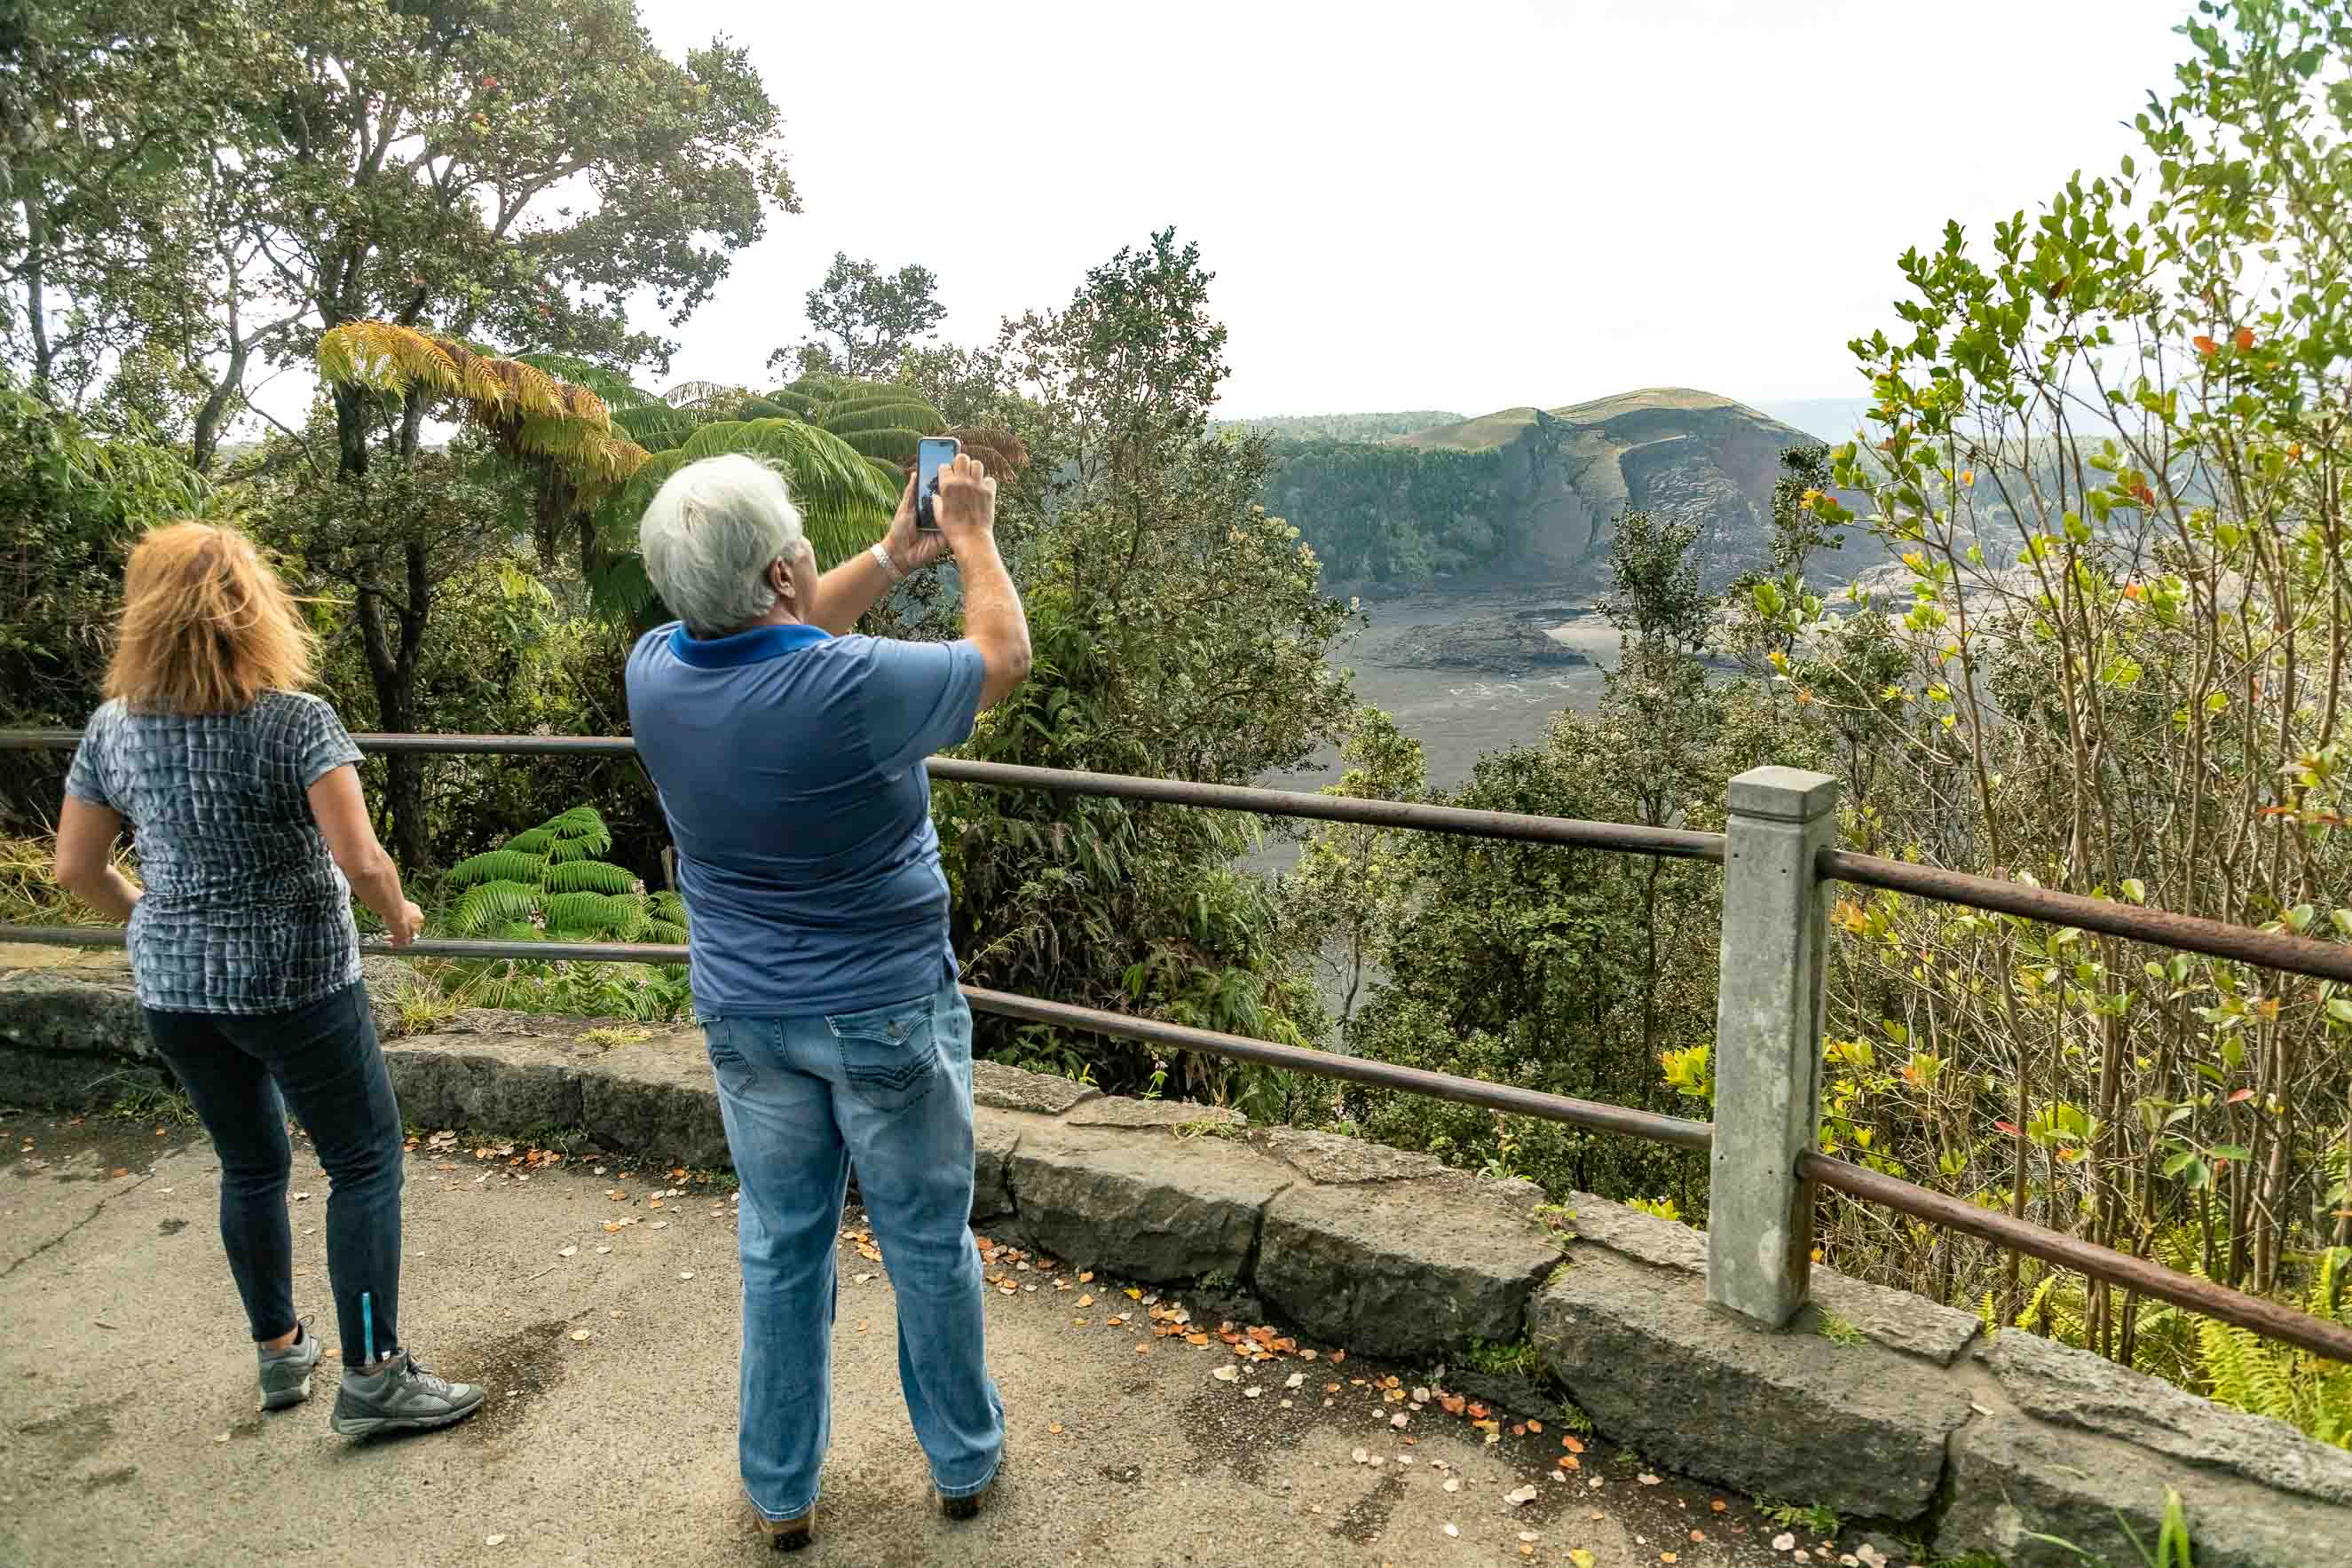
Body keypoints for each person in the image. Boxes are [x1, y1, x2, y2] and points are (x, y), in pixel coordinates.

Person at [627, 452, 1031, 1551]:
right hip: (883, 1011)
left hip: (748, 1021)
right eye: (801, 545)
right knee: (924, 1244)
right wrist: (972, 536)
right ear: (780, 574)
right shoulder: (850, 689)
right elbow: (1001, 657)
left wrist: (892, 556)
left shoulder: (654, 669)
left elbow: (780, 620)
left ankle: (780, 1491)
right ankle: (960, 1461)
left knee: (781, 1247)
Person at [51, 521, 484, 1438]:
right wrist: (400, 915)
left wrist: (153, 923)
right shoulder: (295, 720)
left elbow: (76, 870)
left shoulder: (111, 728)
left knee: (250, 1165)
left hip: (176, 989)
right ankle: (372, 1376)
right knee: (363, 1162)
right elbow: (361, 858)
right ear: (256, 611)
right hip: (294, 980)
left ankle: (280, 1350)